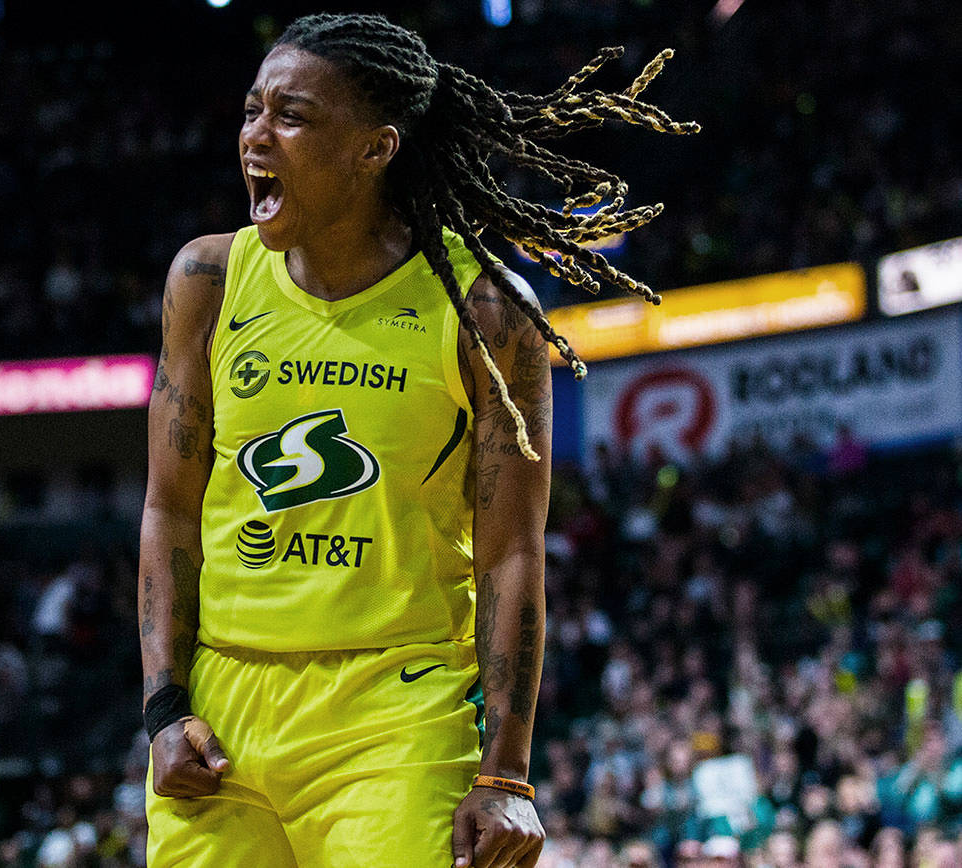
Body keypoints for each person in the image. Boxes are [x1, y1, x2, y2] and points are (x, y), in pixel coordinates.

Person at [137, 12, 695, 868]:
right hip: (223, 719)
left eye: (292, 116)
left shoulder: (488, 313)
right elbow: (169, 509)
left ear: (375, 148)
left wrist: (507, 776)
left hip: (394, 712)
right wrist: (165, 708)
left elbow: (513, 555)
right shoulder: (207, 281)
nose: (256, 135)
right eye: (252, 110)